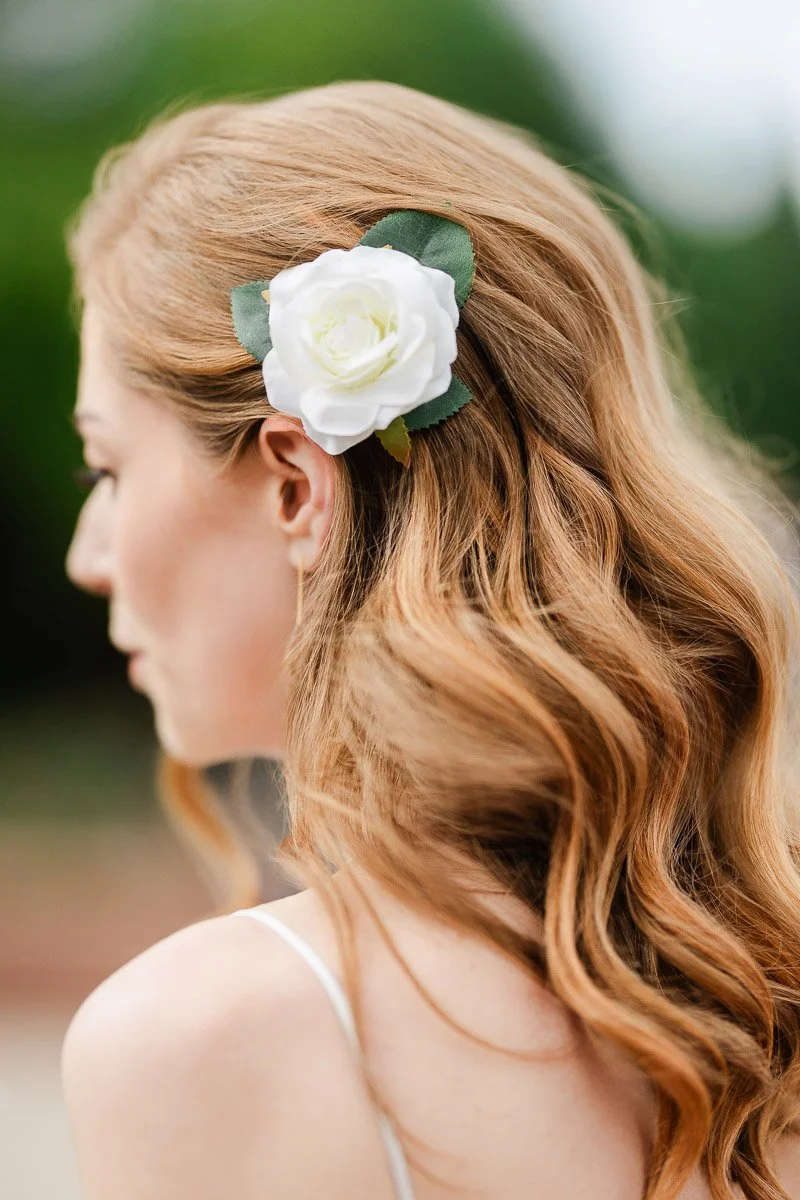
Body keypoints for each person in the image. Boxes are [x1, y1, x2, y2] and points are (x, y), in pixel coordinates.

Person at [60, 79, 800, 1199]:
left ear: (298, 486)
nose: (87, 553)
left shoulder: (205, 1041)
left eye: (107, 469)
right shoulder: (755, 997)